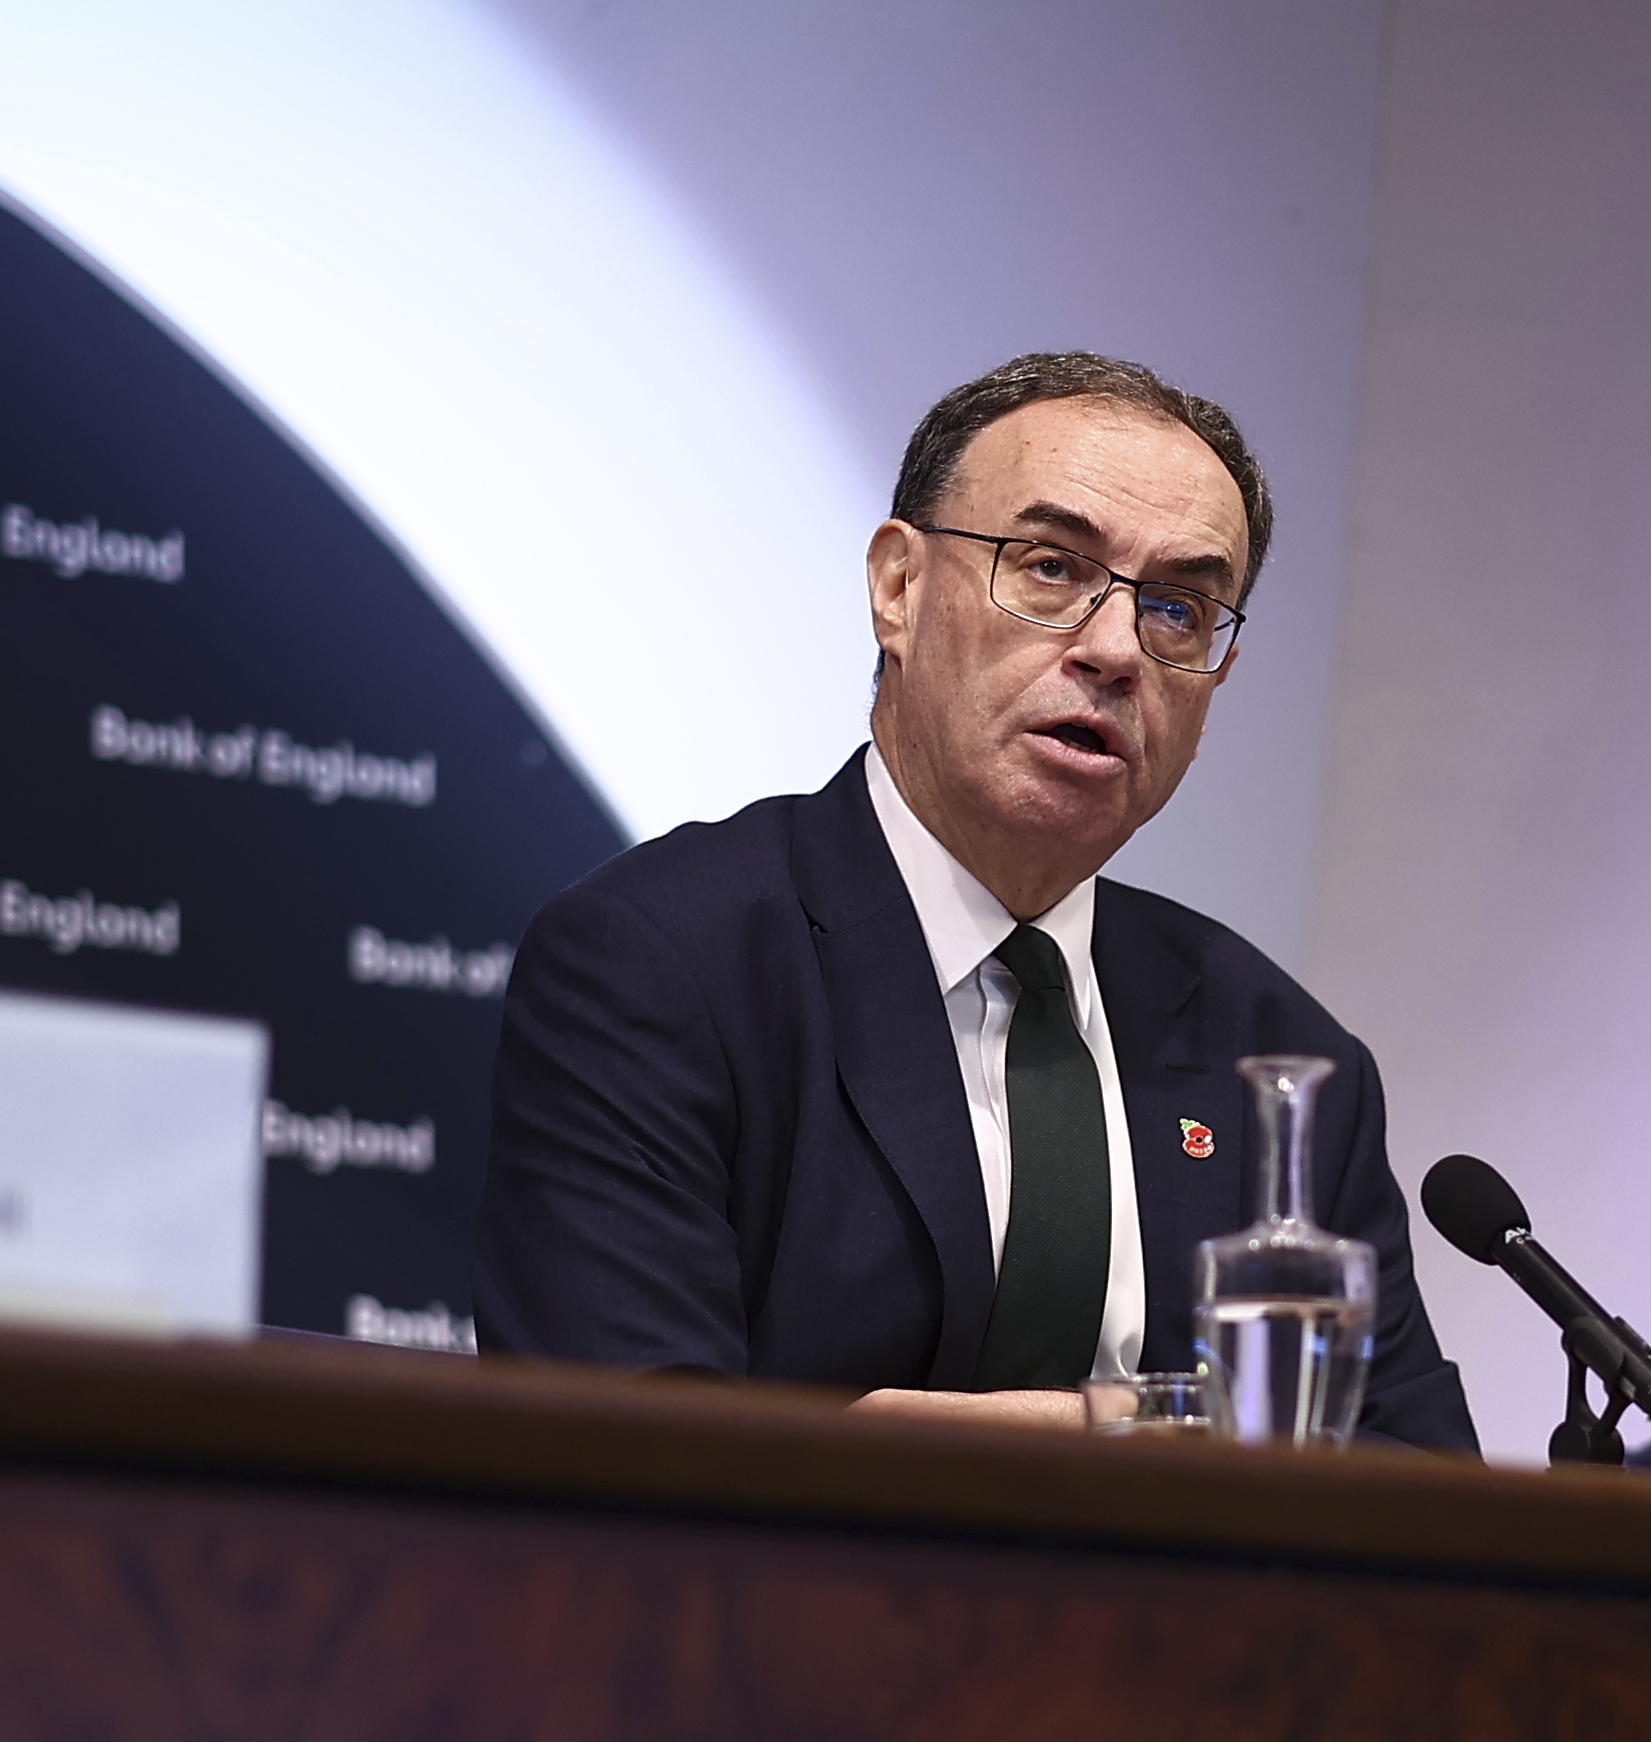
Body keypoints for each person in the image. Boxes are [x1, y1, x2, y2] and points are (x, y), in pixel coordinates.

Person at [472, 351, 1477, 1450]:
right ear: (898, 588)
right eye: (1050, 567)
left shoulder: (1275, 1050)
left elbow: (1417, 1488)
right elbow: (629, 1458)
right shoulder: (664, 964)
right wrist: (1173, 1436)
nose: (1113, 651)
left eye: (1179, 609)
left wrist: (1002, 1431)